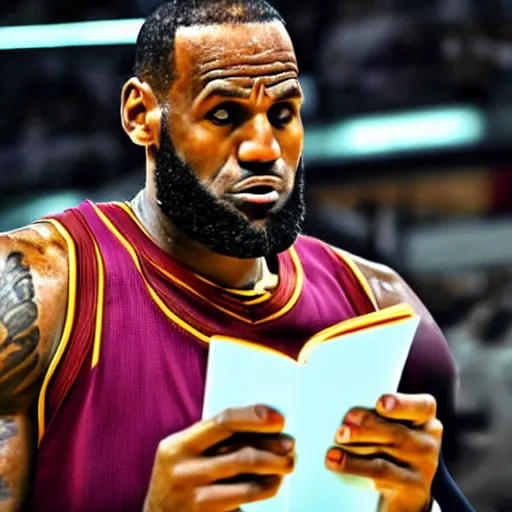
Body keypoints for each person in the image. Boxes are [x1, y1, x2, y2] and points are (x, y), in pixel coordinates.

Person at [0, 1, 473, 511]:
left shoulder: (380, 308)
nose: (264, 148)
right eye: (224, 114)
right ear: (141, 116)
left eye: (283, 113)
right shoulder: (34, 296)